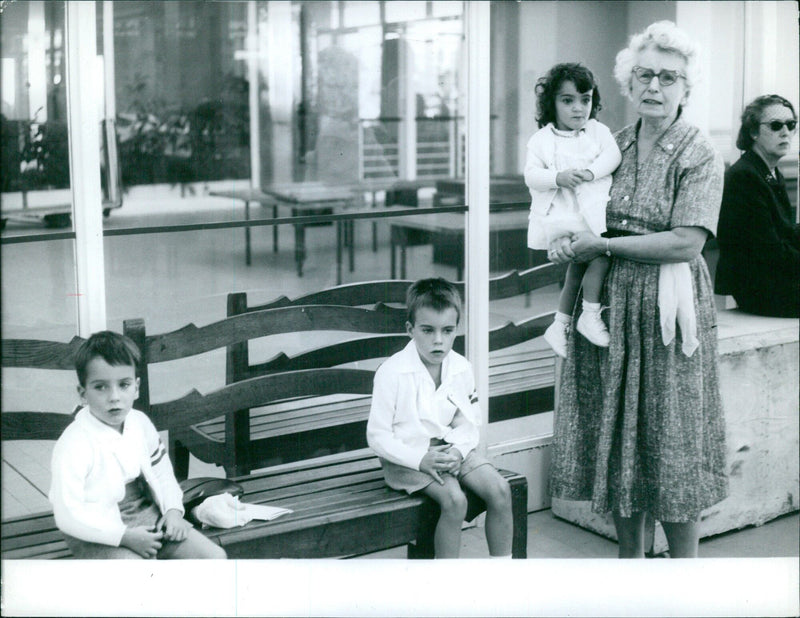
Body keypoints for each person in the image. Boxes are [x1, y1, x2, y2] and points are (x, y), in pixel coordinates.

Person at [548, 21, 728, 558]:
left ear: (686, 89)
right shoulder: (611, 144)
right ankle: (629, 562)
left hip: (668, 306)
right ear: (628, 83)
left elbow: (685, 244)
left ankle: (683, 567)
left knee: (669, 435)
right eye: (644, 74)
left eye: (668, 77)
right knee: (618, 428)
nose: (654, 86)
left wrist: (601, 247)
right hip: (606, 309)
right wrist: (566, 239)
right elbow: (580, 213)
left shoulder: (700, 152)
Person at [366, 278, 513, 558]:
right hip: (406, 457)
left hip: (450, 450)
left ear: (456, 329)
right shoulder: (392, 372)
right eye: (427, 330)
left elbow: (469, 422)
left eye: (447, 330)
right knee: (455, 500)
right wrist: (420, 459)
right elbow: (378, 436)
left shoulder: (461, 368)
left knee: (500, 490)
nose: (438, 340)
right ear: (410, 330)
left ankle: (503, 574)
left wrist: (458, 451)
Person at [49, 331, 227, 559]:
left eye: (123, 384)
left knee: (213, 557)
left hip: (145, 513)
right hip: (94, 529)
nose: (114, 397)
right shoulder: (74, 443)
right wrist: (124, 537)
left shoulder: (139, 423)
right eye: (100, 387)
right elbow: (68, 515)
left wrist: (173, 511)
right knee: (140, 578)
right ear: (83, 393)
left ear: (137, 387)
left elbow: (162, 473)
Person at [525, 63, 622, 358]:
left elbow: (613, 155)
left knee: (578, 268)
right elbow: (531, 175)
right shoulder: (542, 140)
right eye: (568, 101)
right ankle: (589, 314)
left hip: (589, 212)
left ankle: (560, 322)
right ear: (551, 103)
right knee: (602, 256)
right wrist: (558, 177)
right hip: (562, 217)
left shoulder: (597, 131)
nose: (578, 109)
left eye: (586, 99)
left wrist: (591, 173)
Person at [714, 94, 799, 317]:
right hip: (760, 289)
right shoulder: (744, 177)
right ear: (753, 132)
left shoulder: (769, 172)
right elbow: (769, 251)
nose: (785, 132)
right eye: (775, 125)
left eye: (791, 125)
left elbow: (785, 233)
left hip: (774, 279)